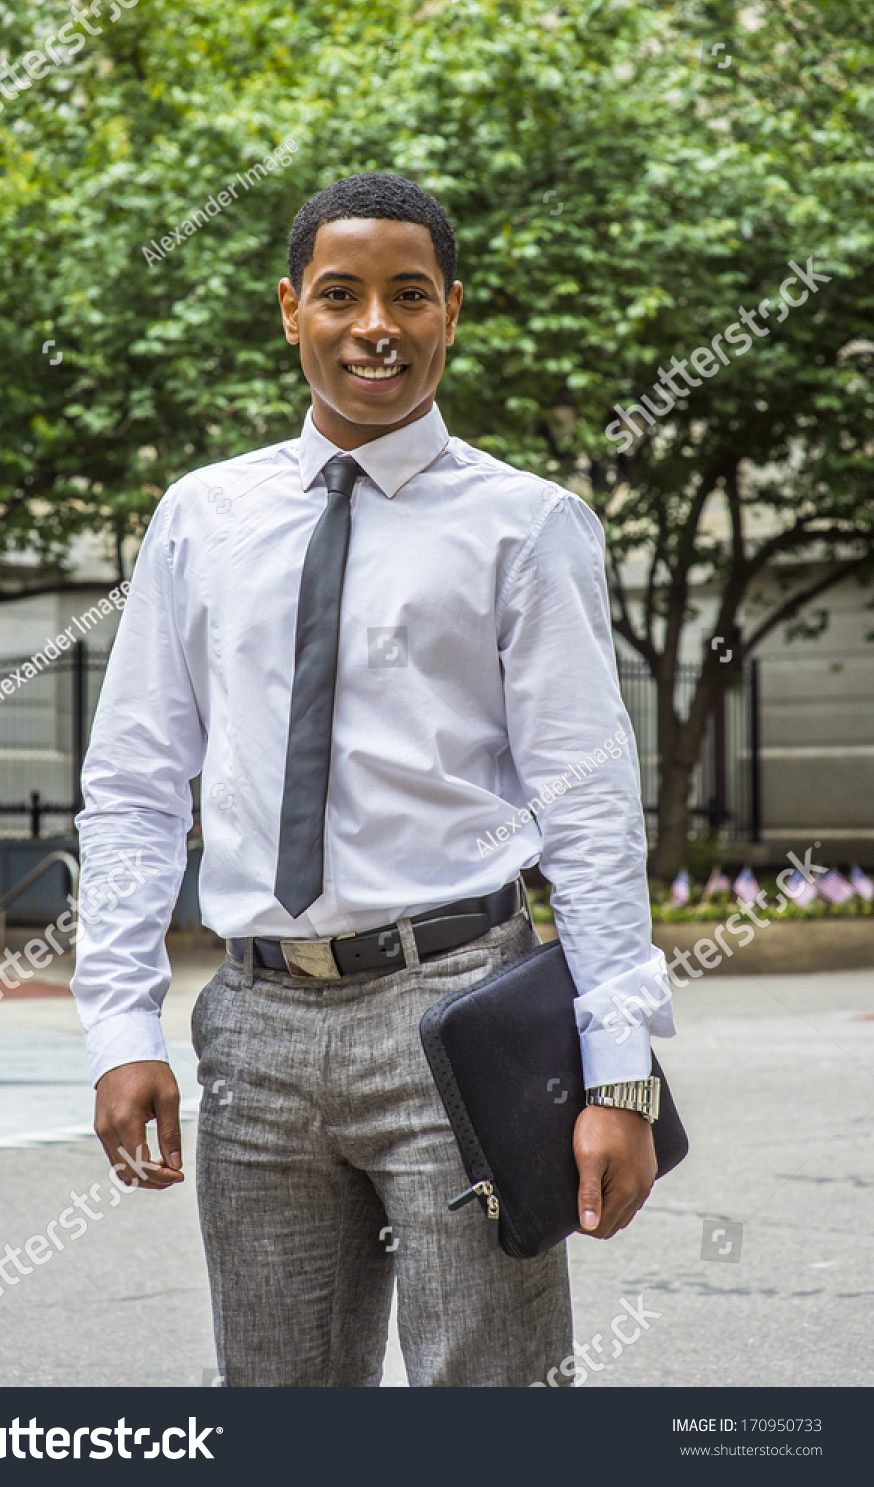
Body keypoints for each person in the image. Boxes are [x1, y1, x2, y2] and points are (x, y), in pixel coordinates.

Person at [72, 171, 675, 1387]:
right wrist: (119, 1025)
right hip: (255, 1026)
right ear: (291, 309)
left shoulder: (525, 524)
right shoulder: (202, 518)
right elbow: (137, 779)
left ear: (452, 308)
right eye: (341, 295)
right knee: (279, 1397)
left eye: (409, 294)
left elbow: (592, 808)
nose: (376, 327)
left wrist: (622, 1072)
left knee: (490, 1398)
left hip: (456, 1013)